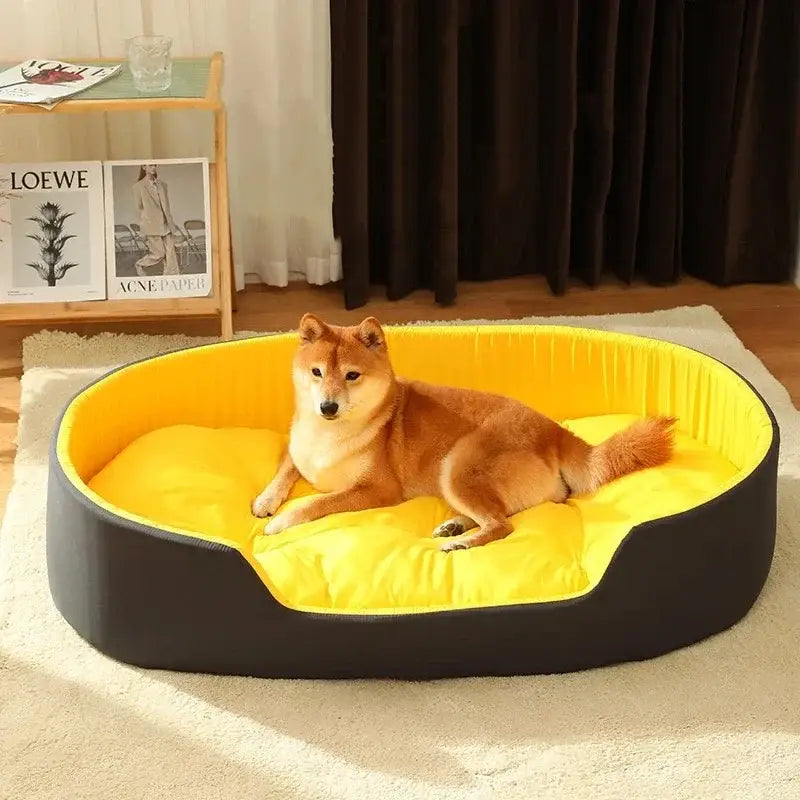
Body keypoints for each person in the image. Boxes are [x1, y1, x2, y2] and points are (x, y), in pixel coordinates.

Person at [131, 164, 181, 276]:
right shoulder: (138, 187)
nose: (153, 168)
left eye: (154, 165)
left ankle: (171, 278)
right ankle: (140, 264)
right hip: (152, 225)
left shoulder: (163, 185)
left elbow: (166, 206)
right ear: (144, 167)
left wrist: (170, 222)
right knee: (159, 254)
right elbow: (139, 209)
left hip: (166, 223)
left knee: (170, 254)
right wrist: (145, 224)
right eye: (150, 165)